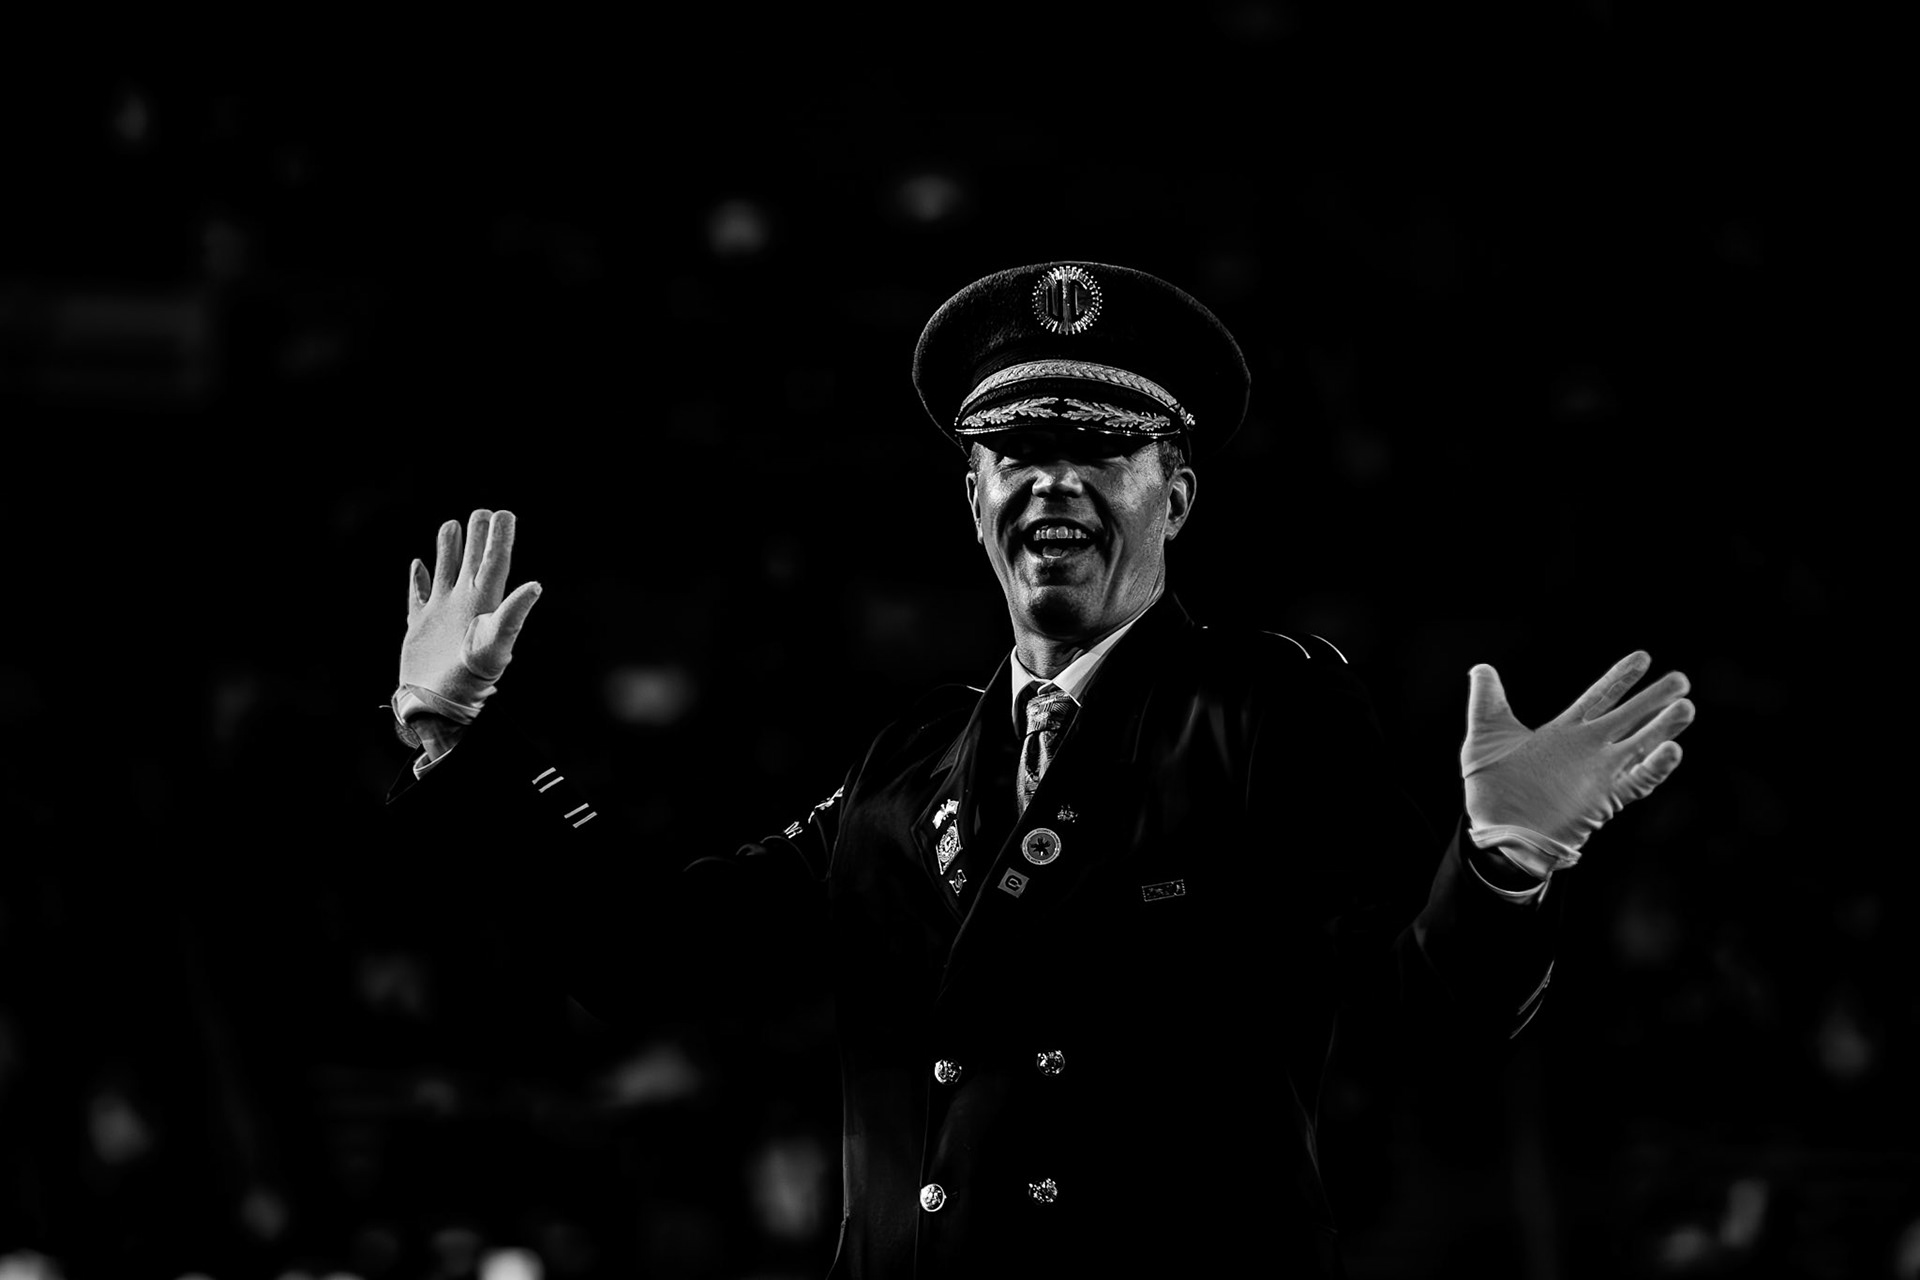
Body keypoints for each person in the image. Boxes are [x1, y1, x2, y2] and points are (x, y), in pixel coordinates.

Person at [382, 261, 1695, 1278]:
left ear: (1174, 497)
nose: (1053, 484)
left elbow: (1421, 1021)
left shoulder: (1259, 711)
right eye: (1017, 454)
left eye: (1101, 451)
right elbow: (650, 956)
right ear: (973, 500)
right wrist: (462, 740)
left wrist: (1505, 864)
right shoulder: (910, 761)